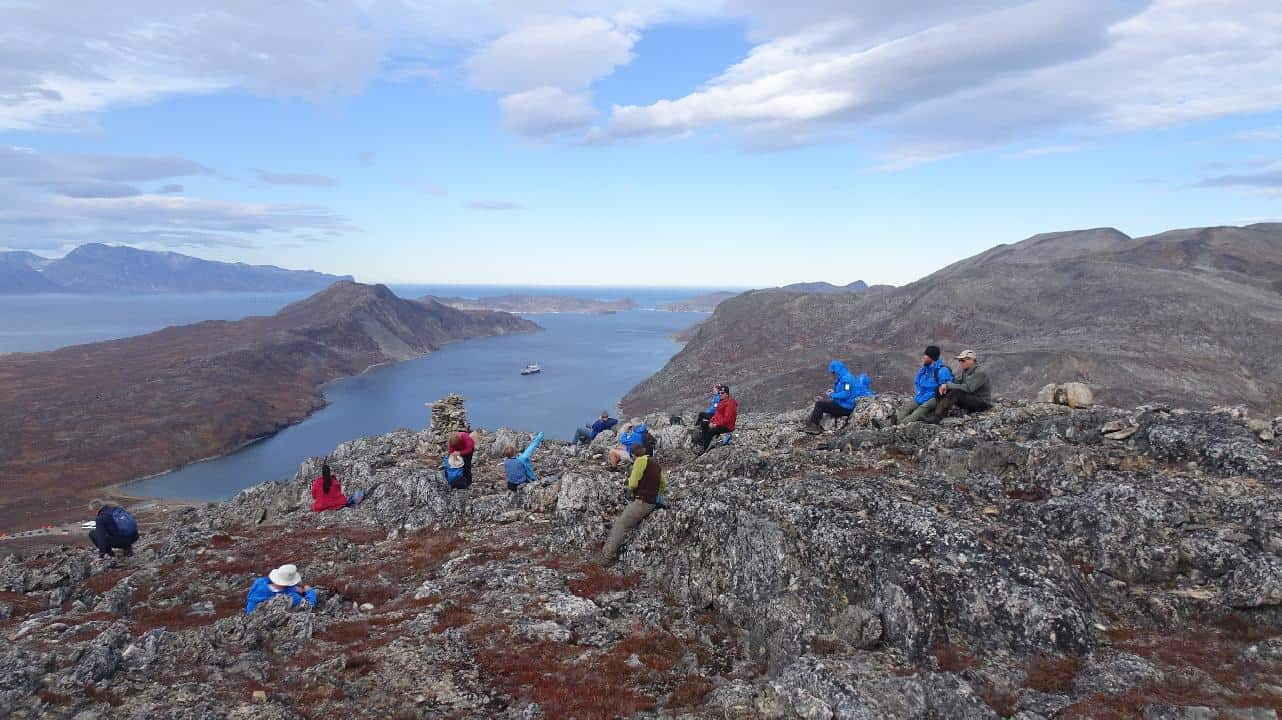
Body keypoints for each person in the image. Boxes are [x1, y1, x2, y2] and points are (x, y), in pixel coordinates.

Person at [600, 443, 667, 562]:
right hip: (651, 502)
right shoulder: (655, 464)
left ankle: (606, 557)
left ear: (633, 455)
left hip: (643, 501)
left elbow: (633, 484)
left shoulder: (640, 461)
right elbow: (663, 483)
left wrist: (632, 484)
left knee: (621, 523)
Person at [802, 360, 874, 434]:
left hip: (845, 408)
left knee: (819, 404)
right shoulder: (844, 377)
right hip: (843, 404)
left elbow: (846, 393)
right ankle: (810, 425)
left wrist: (832, 395)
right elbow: (845, 391)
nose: (833, 374)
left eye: (833, 372)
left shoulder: (847, 379)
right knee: (823, 403)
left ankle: (814, 427)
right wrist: (834, 392)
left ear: (837, 370)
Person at [923, 350, 993, 423]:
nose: (960, 362)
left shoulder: (980, 372)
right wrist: (944, 384)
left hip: (982, 404)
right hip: (971, 399)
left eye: (962, 360)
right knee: (940, 389)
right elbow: (956, 381)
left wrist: (948, 385)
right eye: (960, 360)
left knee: (957, 392)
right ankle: (936, 412)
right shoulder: (966, 371)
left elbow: (968, 388)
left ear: (971, 360)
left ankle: (937, 417)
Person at [895, 346, 955, 424]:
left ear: (931, 357)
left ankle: (902, 424)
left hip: (934, 397)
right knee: (907, 407)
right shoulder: (925, 369)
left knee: (921, 409)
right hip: (923, 396)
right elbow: (918, 382)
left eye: (926, 355)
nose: (924, 357)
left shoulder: (942, 370)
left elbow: (945, 385)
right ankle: (892, 422)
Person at [245, 564, 317, 614]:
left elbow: (276, 585)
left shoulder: (259, 582)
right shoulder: (292, 597)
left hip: (249, 614)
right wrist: (309, 591)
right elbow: (310, 605)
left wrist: (292, 588)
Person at [695, 385, 738, 453]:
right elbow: (716, 415)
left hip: (727, 426)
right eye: (719, 393)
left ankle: (703, 449)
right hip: (720, 423)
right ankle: (701, 442)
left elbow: (728, 419)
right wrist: (711, 421)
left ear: (727, 394)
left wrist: (715, 424)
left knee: (711, 431)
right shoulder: (722, 402)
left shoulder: (730, 404)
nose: (720, 394)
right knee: (704, 424)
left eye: (722, 393)